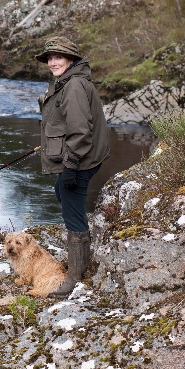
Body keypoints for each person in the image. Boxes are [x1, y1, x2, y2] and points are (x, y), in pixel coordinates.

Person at [35, 37, 110, 297]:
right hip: (81, 156)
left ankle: (75, 278)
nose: (53, 62)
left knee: (73, 209)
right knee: (62, 193)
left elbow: (80, 131)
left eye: (59, 57)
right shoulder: (67, 82)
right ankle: (79, 260)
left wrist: (70, 164)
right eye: (50, 58)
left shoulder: (75, 85)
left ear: (71, 60)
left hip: (81, 159)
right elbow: (62, 124)